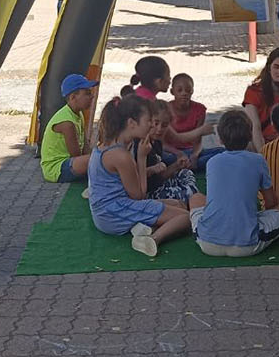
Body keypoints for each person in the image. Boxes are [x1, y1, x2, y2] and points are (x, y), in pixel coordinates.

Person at [88, 94, 201, 258]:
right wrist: (141, 158)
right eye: (148, 120)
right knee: (185, 218)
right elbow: (139, 195)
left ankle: (140, 227)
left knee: (179, 204)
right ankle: (152, 239)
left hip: (107, 212)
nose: (150, 125)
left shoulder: (108, 144)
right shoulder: (121, 155)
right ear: (132, 123)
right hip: (113, 214)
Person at [193, 109, 279, 257]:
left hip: (207, 242)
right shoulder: (258, 160)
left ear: (220, 139)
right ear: (250, 136)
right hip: (247, 244)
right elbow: (271, 202)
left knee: (196, 198)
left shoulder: (212, 162)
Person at [39, 73, 97, 184]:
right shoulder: (67, 123)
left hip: (71, 162)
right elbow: (76, 155)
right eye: (87, 93)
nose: (92, 96)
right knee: (99, 159)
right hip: (56, 169)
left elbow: (85, 146)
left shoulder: (78, 114)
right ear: (73, 97)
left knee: (99, 158)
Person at [141, 98, 199, 205]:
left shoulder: (157, 143)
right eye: (156, 123)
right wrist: (152, 169)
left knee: (186, 173)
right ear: (149, 121)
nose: (159, 129)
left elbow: (161, 176)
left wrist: (177, 165)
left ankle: (188, 197)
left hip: (160, 185)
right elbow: (133, 176)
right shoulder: (141, 145)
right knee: (190, 193)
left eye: (164, 125)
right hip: (148, 193)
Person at [164, 72, 216, 166]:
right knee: (163, 158)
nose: (184, 93)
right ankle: (186, 164)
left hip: (190, 150)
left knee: (221, 152)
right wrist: (178, 153)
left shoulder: (200, 109)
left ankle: (185, 164)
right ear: (172, 92)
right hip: (171, 152)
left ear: (192, 91)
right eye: (179, 90)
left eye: (188, 90)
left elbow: (198, 140)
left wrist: (195, 154)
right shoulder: (165, 109)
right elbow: (162, 143)